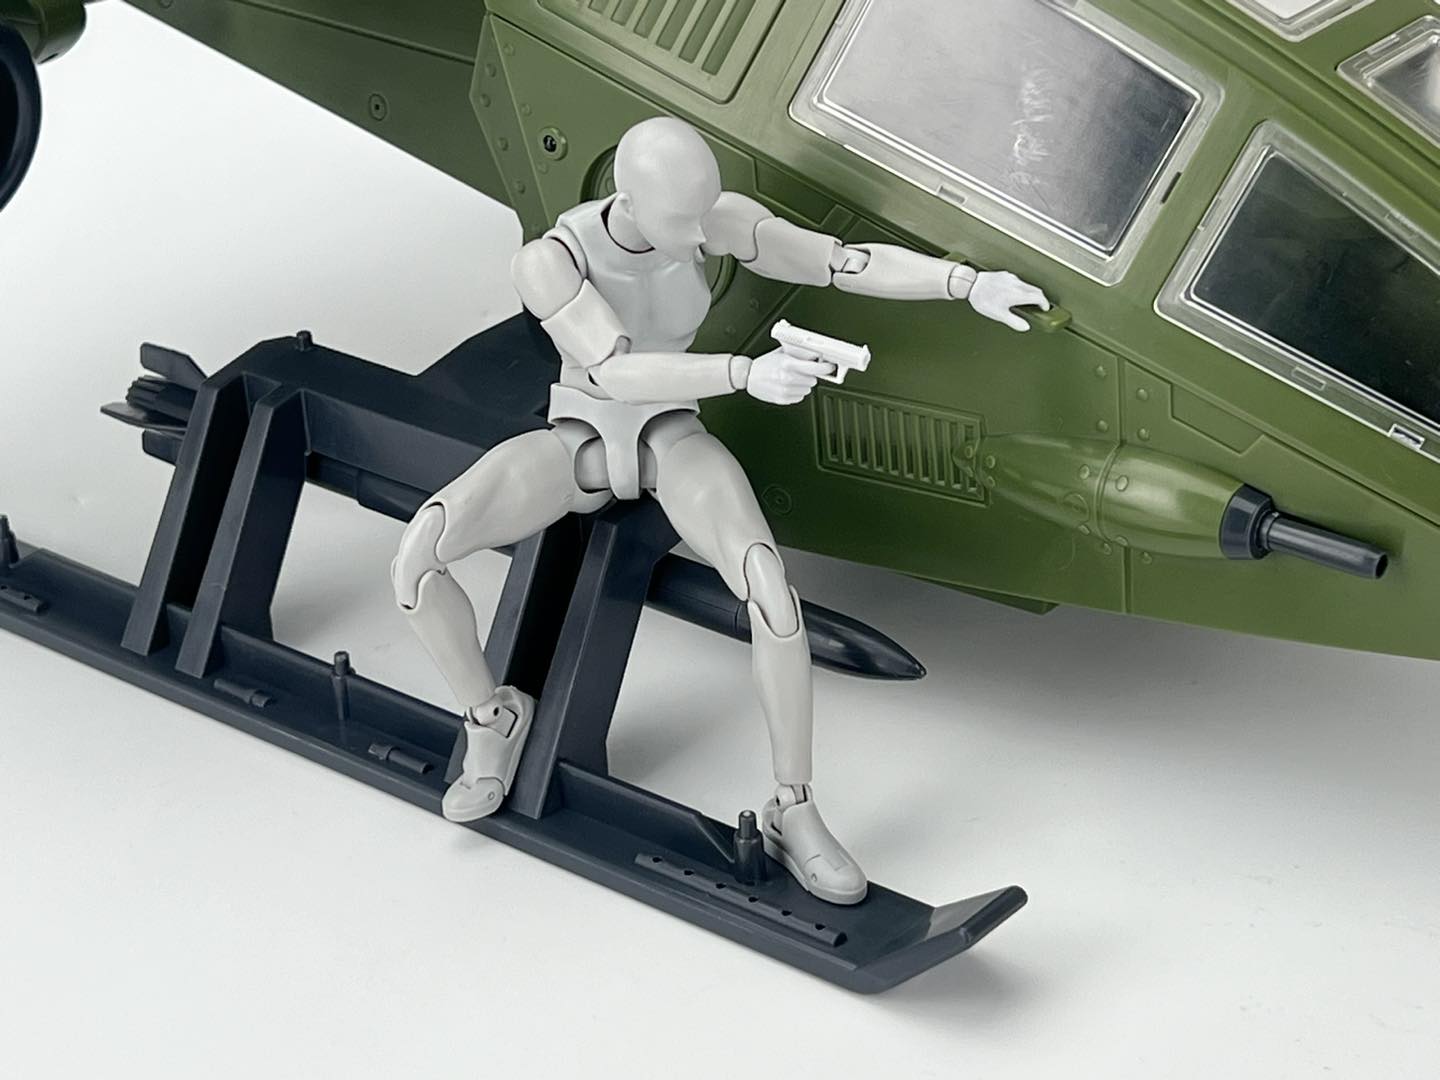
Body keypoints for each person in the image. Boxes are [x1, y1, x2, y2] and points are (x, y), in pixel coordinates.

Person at [392, 117, 1049, 905]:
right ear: (628, 198)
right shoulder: (551, 261)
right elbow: (616, 369)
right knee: (418, 557)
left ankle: (793, 809)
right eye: (682, 219)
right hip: (578, 441)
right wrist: (744, 373)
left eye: (705, 212)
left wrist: (966, 284)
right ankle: (491, 716)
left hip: (672, 438)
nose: (700, 235)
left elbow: (844, 262)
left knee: (772, 594)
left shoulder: (712, 223)